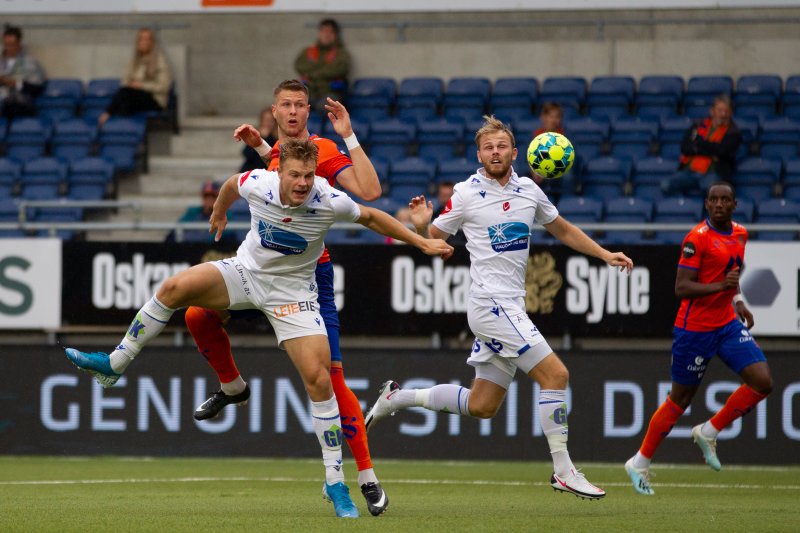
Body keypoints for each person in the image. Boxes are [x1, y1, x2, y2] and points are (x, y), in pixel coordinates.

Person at [64, 139, 453, 518]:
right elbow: (232, 184)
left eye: (308, 176)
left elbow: (370, 216)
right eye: (295, 175)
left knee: (320, 380)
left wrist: (420, 242)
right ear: (279, 172)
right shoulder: (259, 184)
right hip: (245, 274)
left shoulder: (327, 198)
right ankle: (115, 364)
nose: (303, 183)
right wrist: (219, 211)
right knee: (173, 289)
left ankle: (335, 483)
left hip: (293, 295)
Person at [364, 116, 633, 500]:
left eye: (501, 146)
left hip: (509, 305)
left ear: (514, 152)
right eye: (488, 147)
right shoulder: (466, 192)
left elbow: (563, 230)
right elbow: (436, 240)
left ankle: (397, 398)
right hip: (490, 305)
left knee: (482, 405)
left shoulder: (529, 191)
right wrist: (425, 226)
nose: (495, 152)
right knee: (556, 375)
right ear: (479, 154)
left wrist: (605, 254)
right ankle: (564, 470)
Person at [187, 79, 389, 515]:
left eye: (301, 105)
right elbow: (282, 180)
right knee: (198, 317)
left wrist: (348, 135)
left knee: (330, 380)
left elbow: (370, 194)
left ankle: (366, 477)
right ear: (274, 111)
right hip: (259, 268)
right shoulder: (278, 153)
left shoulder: (323, 149)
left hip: (306, 277)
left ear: (308, 111)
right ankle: (232, 387)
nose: (294, 112)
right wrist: (262, 149)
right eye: (287, 105)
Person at [624, 182, 772, 496]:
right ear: (706, 204)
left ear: (734, 204)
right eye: (714, 200)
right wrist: (722, 287)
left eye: (725, 199)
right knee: (680, 400)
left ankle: (709, 430)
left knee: (763, 381)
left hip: (727, 325)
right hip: (695, 330)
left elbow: (731, 274)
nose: (719, 204)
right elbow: (682, 288)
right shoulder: (696, 239)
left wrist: (738, 300)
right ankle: (639, 462)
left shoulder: (741, 234)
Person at [662, 95, 741, 196]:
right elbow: (685, 147)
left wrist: (699, 145)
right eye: (720, 110)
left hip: (713, 173)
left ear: (731, 113)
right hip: (689, 172)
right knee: (666, 185)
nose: (723, 114)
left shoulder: (733, 132)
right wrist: (711, 149)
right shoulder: (698, 125)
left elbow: (722, 151)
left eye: (726, 111)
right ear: (712, 111)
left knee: (713, 190)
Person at [98, 27, 173, 127]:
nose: (144, 42)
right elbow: (125, 81)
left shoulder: (159, 60)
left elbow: (164, 86)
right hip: (134, 97)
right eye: (141, 39)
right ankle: (122, 130)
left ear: (152, 42)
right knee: (125, 99)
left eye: (147, 39)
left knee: (125, 95)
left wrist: (141, 85)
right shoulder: (134, 61)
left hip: (155, 100)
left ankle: (108, 115)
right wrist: (131, 85)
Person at [294, 18, 351, 116]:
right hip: (309, 91)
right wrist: (324, 67)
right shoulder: (308, 51)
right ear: (319, 33)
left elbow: (339, 69)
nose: (326, 35)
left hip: (330, 92)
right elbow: (299, 66)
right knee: (293, 105)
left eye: (330, 32)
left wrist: (313, 71)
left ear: (335, 35)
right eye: (323, 31)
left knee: (324, 106)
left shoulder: (341, 53)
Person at [166, 181, 236, 244]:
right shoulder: (192, 213)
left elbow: (228, 236)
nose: (209, 200)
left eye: (213, 196)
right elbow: (175, 231)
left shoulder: (225, 214)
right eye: (206, 196)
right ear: (202, 197)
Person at [0, 24, 45, 119]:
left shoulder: (30, 63)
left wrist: (15, 83)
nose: (8, 48)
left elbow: (37, 88)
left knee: (11, 102)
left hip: (20, 102)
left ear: (19, 44)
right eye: (6, 45)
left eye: (11, 45)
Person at [240, 107, 278, 173]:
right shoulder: (254, 135)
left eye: (270, 120)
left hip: (265, 171)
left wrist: (266, 138)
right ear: (261, 121)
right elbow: (246, 154)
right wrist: (261, 138)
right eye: (266, 120)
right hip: (250, 169)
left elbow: (271, 157)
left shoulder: (276, 138)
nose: (268, 123)